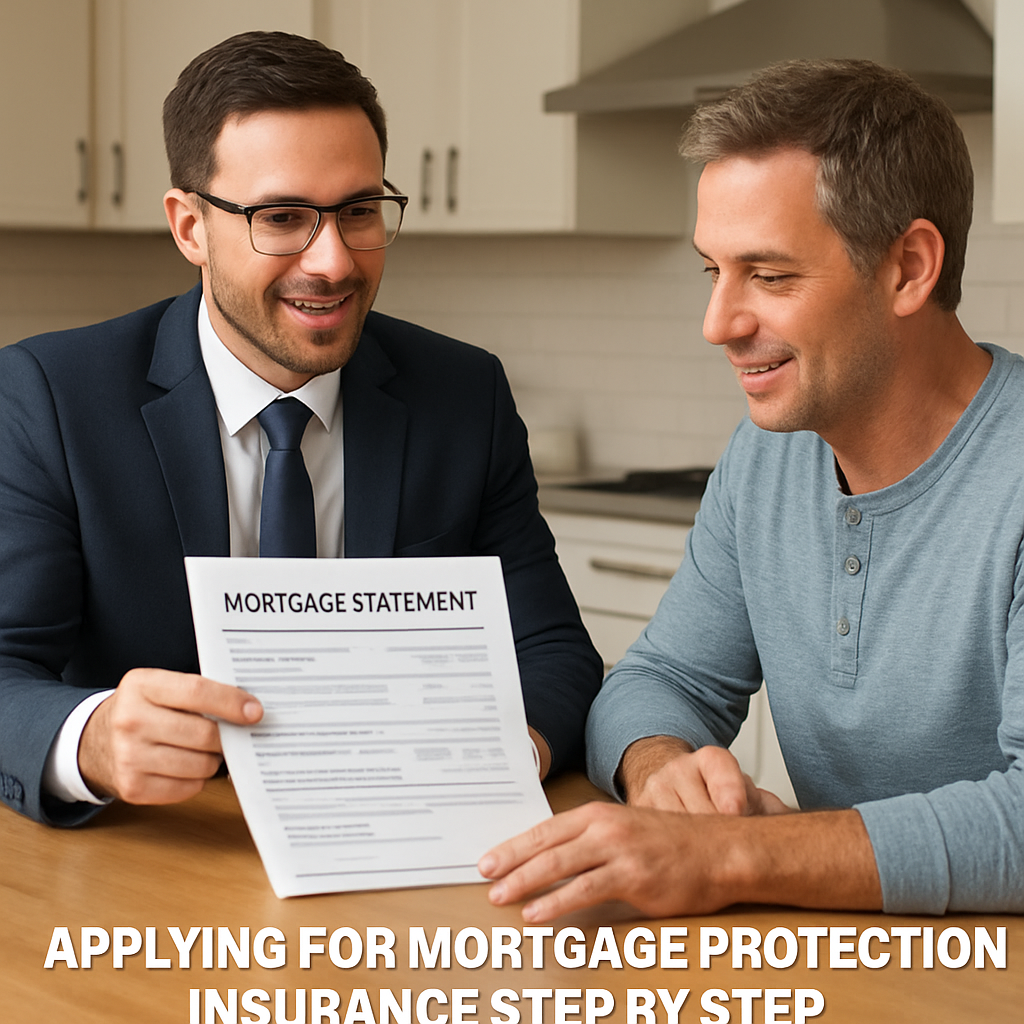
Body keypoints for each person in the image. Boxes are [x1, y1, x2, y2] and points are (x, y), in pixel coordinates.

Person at [0, 31, 602, 826]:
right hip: (157, 856)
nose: (334, 261)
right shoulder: (52, 396)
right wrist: (92, 739)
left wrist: (495, 762)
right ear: (189, 228)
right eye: (282, 217)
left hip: (402, 847)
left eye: (358, 211)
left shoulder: (465, 395)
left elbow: (553, 652)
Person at [480, 58, 1024, 919]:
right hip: (866, 965)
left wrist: (731, 853)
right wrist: (664, 774)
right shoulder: (770, 459)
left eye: (769, 276)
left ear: (910, 268)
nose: (719, 324)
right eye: (712, 271)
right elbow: (661, 680)